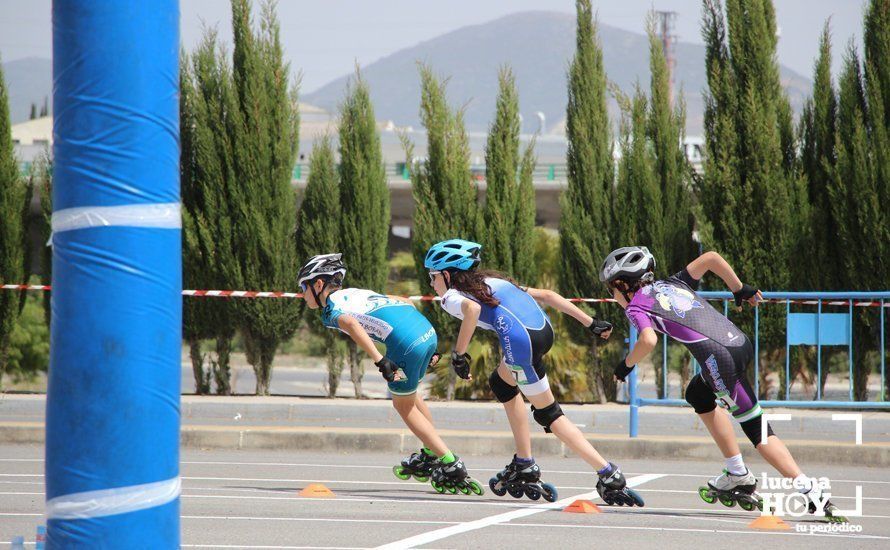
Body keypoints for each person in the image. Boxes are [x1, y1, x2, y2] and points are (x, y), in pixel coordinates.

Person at [601, 246, 845, 521]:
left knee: (756, 428)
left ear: (624, 284)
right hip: (739, 342)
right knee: (698, 393)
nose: (613, 296)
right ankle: (736, 471)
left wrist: (625, 366)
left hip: (721, 363)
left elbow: (648, 340)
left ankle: (809, 491)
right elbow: (711, 258)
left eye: (612, 290)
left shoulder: (635, 306)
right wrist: (740, 289)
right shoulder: (673, 282)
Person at [425, 239, 644, 506]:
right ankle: (524, 462)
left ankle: (608, 474)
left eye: (433, 277)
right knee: (501, 383)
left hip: (521, 344)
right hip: (542, 331)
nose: (432, 284)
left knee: (549, 414)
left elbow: (471, 310)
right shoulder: (490, 281)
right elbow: (547, 296)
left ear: (448, 274)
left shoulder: (451, 296)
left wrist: (459, 355)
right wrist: (591, 322)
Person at [299, 253, 483, 496]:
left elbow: (352, 325)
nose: (302, 293)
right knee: (413, 396)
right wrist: (421, 342)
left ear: (318, 285)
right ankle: (430, 451)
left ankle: (450, 463)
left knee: (403, 406)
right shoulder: (356, 292)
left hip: (407, 345)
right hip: (426, 332)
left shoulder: (330, 310)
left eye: (303, 287)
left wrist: (380, 360)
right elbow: (407, 302)